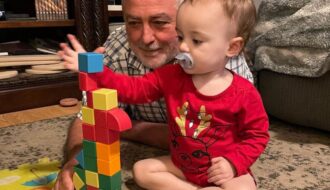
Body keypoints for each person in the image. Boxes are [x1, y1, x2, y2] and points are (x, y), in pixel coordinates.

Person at [54, 0, 255, 189]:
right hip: (183, 163)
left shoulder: (238, 81)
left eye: (160, 22)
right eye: (181, 36)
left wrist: (233, 163)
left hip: (222, 164)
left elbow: (254, 135)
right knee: (141, 171)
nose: (146, 38)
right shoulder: (167, 75)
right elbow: (128, 91)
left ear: (231, 48)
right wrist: (96, 69)